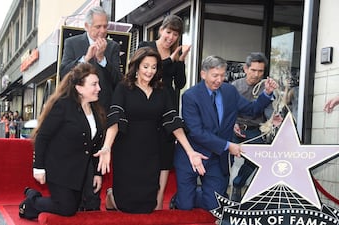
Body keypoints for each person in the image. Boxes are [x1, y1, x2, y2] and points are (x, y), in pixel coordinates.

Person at [94, 47, 207, 214]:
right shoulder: (123, 88)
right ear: (137, 66)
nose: (150, 71)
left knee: (147, 206)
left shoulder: (162, 91)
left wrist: (190, 151)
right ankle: (112, 196)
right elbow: (115, 118)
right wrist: (107, 146)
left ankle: (114, 196)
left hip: (151, 149)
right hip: (126, 149)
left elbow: (173, 121)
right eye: (146, 66)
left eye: (154, 67)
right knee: (127, 206)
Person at [173, 55, 278, 211]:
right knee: (185, 205)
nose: (219, 80)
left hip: (217, 158)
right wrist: (228, 145)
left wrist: (267, 94)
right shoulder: (190, 96)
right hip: (193, 155)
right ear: (203, 74)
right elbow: (197, 132)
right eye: (215, 75)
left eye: (222, 75)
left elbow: (251, 110)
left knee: (214, 206)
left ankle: (199, 196)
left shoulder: (230, 91)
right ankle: (179, 199)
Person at [19, 63, 106, 220]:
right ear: (79, 88)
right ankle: (31, 201)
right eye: (94, 84)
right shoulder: (63, 105)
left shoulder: (96, 109)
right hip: (59, 168)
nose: (99, 88)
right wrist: (38, 167)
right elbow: (43, 136)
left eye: (98, 83)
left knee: (84, 207)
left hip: (82, 171)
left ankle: (32, 203)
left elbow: (96, 145)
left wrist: (97, 173)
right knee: (66, 208)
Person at [59, 6, 122, 210]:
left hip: (101, 112)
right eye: (97, 27)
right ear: (87, 26)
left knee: (96, 155)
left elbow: (118, 81)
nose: (102, 31)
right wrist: (86, 58)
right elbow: (63, 73)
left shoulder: (112, 47)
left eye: (105, 26)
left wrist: (102, 59)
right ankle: (74, 195)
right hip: (77, 112)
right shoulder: (72, 43)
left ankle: (93, 199)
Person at [137, 14, 191, 209]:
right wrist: (171, 60)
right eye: (168, 32)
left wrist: (181, 61)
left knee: (165, 154)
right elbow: (150, 74)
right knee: (147, 151)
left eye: (175, 34)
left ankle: (159, 201)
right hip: (148, 106)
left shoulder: (175, 54)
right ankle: (144, 196)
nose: (171, 37)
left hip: (168, 109)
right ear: (161, 30)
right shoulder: (146, 46)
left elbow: (181, 83)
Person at [230, 52, 271, 201]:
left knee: (256, 159)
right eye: (253, 70)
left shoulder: (266, 87)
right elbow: (228, 109)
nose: (256, 74)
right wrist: (233, 123)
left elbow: (270, 109)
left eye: (260, 71)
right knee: (224, 159)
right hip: (234, 127)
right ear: (245, 69)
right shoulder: (235, 86)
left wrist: (273, 119)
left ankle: (238, 184)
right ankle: (222, 192)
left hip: (254, 129)